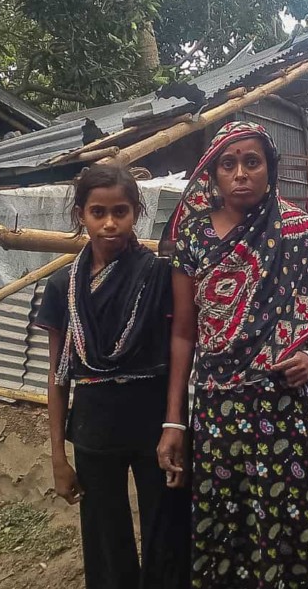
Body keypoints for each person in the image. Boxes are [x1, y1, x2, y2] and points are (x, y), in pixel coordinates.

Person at [158, 121, 308, 588]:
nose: (240, 173)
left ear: (269, 170)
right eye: (228, 164)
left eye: (252, 162)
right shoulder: (192, 238)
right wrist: (174, 420)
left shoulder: (299, 230)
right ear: (212, 174)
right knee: (233, 525)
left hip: (292, 409)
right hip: (221, 413)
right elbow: (183, 333)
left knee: (305, 521)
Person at [35, 164, 190, 589]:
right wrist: (58, 457)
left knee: (168, 532)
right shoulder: (62, 286)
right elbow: (58, 375)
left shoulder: (160, 275)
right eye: (97, 212)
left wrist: (174, 423)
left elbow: (181, 348)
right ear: (80, 214)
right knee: (105, 539)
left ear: (136, 212)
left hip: (154, 422)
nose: (109, 223)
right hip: (93, 428)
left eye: (120, 211)